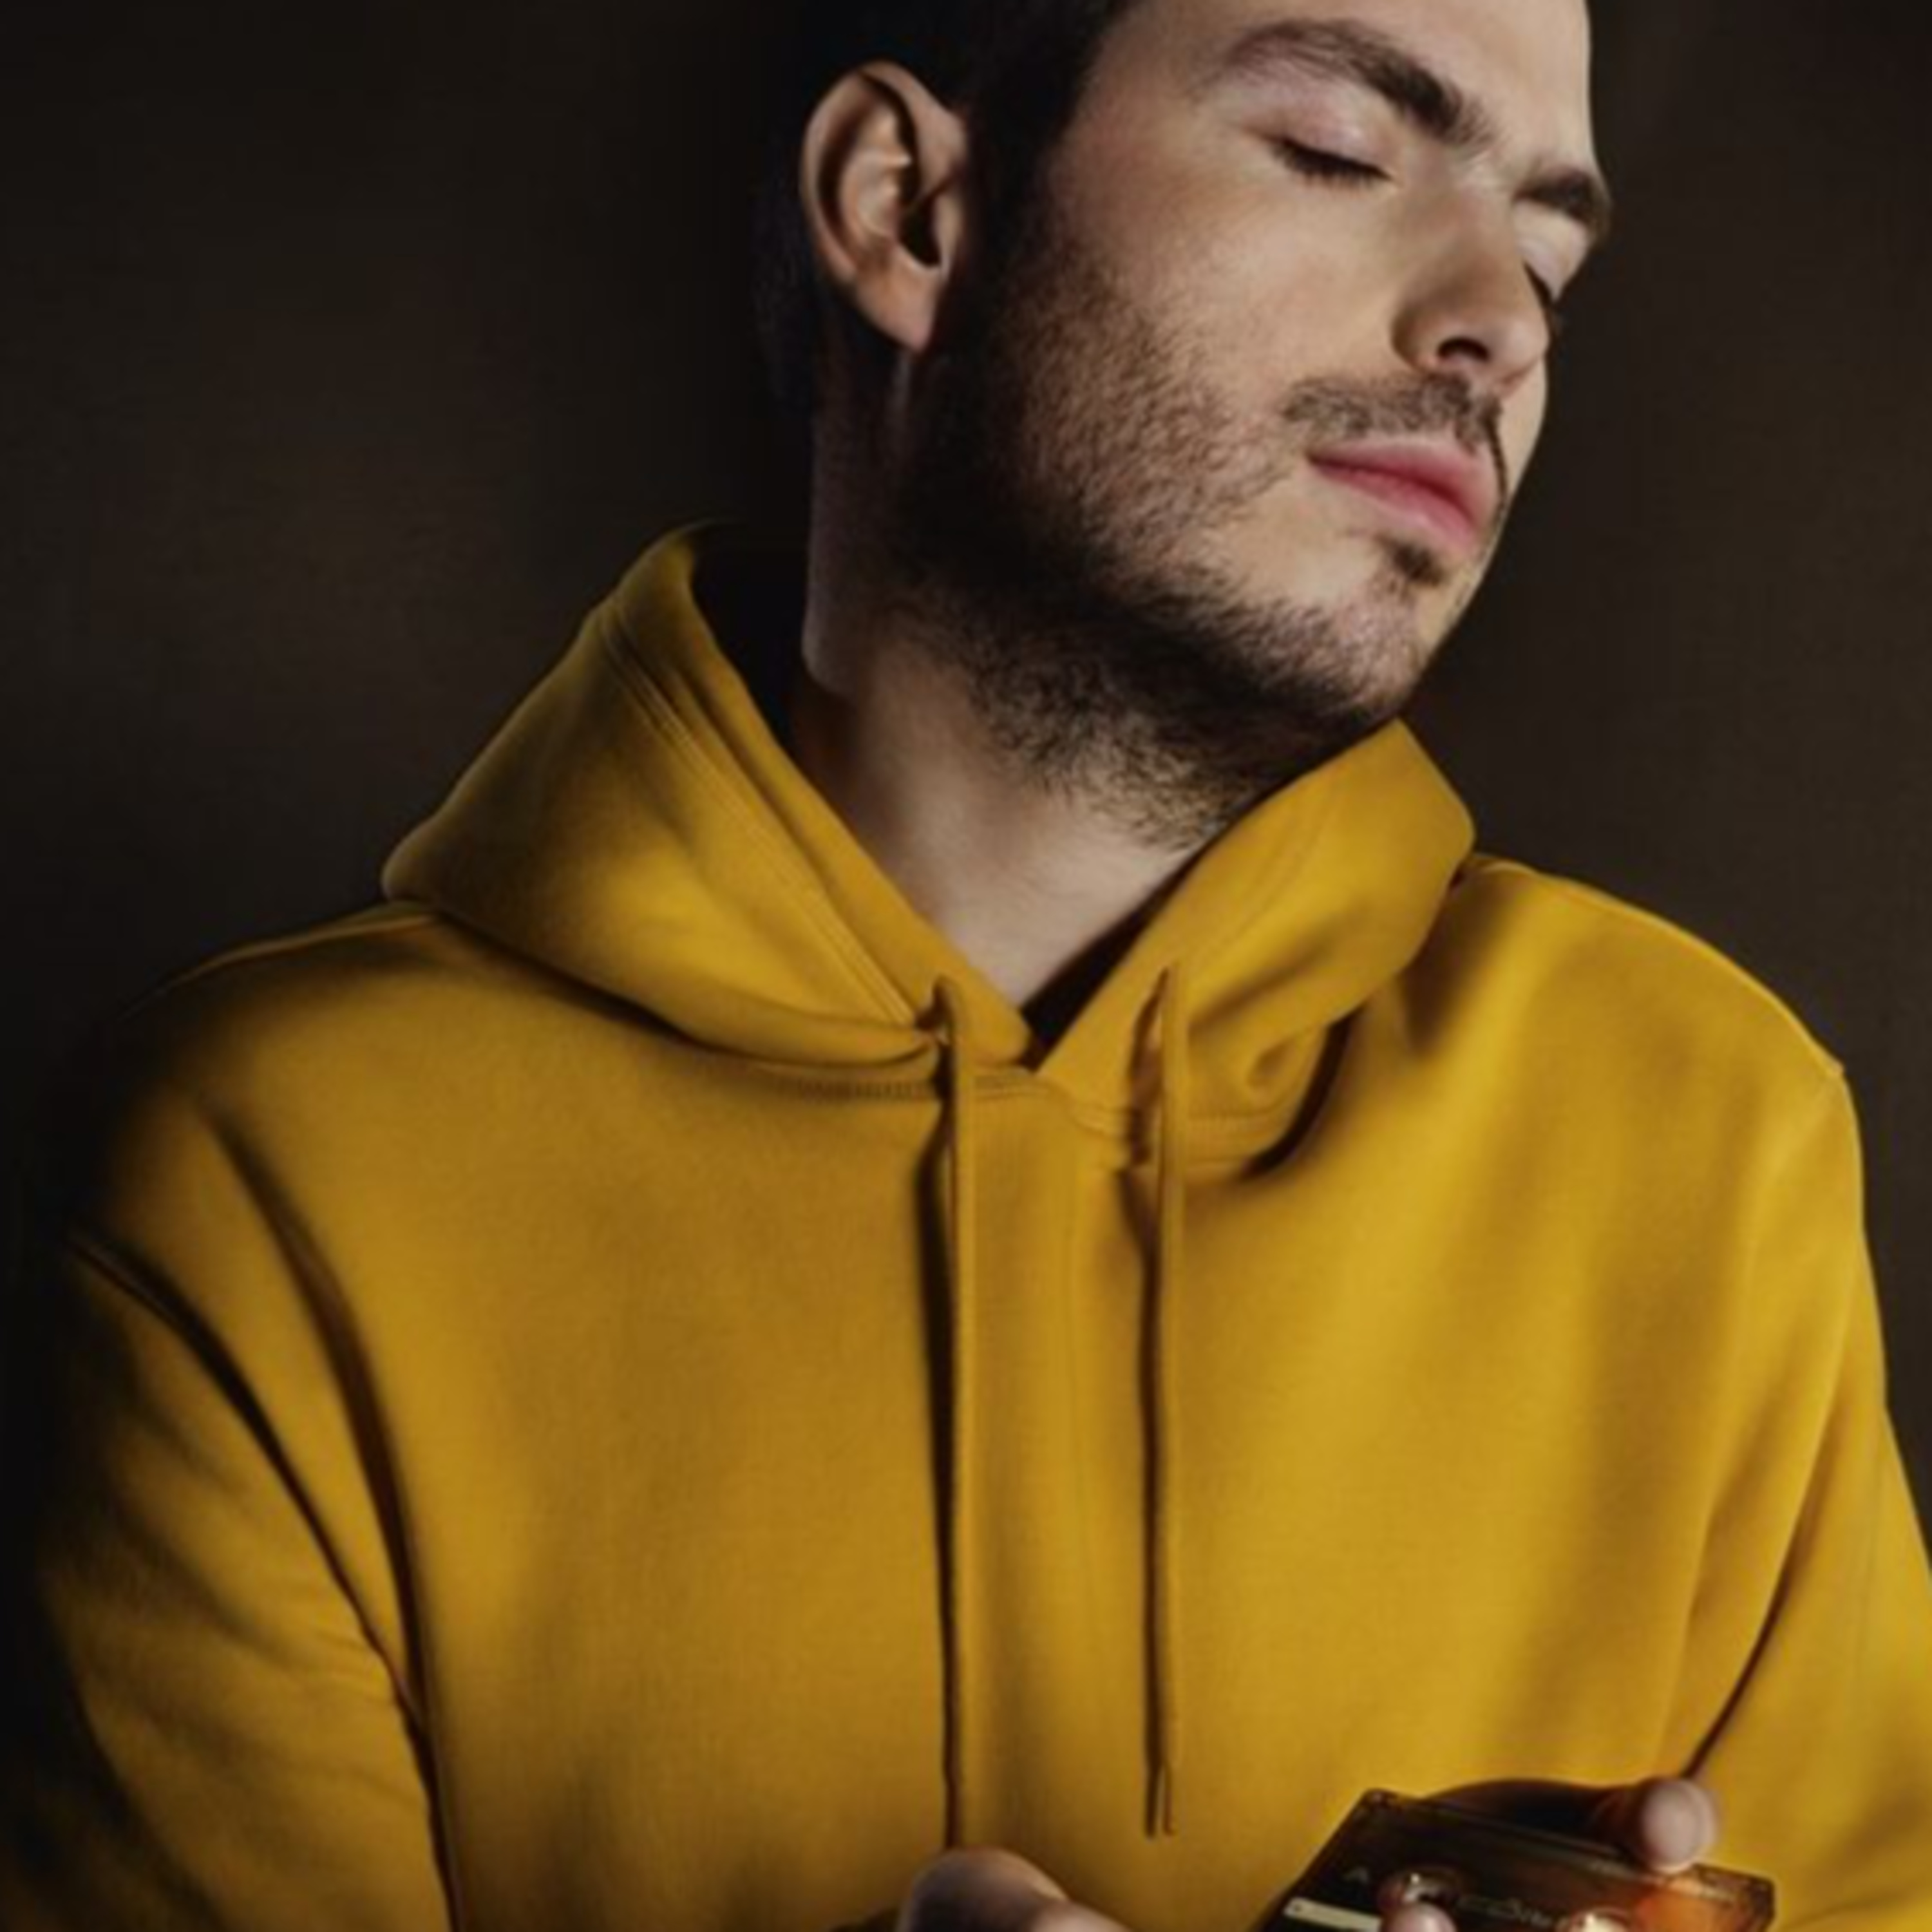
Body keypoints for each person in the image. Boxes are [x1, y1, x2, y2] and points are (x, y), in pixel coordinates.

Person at [5, 0, 1931, 1927]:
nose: (1497, 323)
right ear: (906, 209)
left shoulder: (1707, 1130)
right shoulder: (265, 1183)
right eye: (1340, 154)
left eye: (1550, 261)